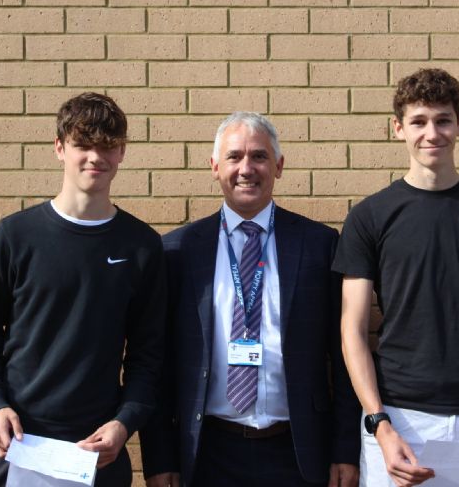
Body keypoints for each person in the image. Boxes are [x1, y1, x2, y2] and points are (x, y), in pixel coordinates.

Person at [334, 68, 459, 487]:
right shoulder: (369, 217)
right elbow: (352, 331)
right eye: (419, 121)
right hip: (400, 418)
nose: (432, 133)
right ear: (398, 129)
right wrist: (380, 424)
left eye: (443, 119)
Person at [140, 112, 361, 487]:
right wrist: (160, 458)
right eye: (234, 157)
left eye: (259, 156)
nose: (246, 168)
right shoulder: (178, 251)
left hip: (298, 452)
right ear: (214, 167)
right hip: (207, 453)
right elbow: (156, 362)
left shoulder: (318, 245)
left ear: (278, 166)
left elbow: (343, 358)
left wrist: (345, 448)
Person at [0, 92, 166, 487]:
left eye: (108, 146)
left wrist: (125, 423)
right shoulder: (16, 236)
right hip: (18, 445)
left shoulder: (141, 246)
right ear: (60, 147)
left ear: (122, 152)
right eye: (83, 145)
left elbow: (149, 355)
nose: (96, 157)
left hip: (96, 452)